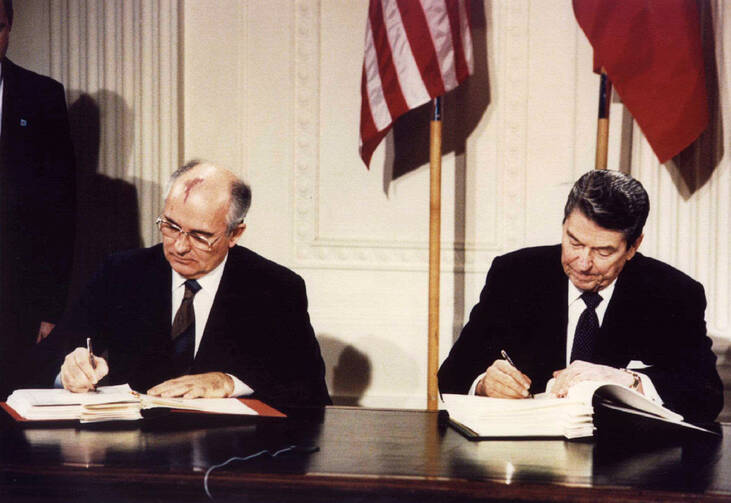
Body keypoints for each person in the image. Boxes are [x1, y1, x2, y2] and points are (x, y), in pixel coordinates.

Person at [38, 160, 330, 408]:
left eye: (200, 235)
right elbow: (45, 359)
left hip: (230, 458)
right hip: (134, 453)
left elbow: (310, 393)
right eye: (170, 226)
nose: (179, 247)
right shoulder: (121, 273)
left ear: (235, 233)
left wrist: (229, 383)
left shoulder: (276, 289)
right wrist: (67, 371)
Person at [438, 170, 723, 422]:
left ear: (633, 246)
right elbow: (452, 375)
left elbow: (707, 396)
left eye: (603, 251)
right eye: (574, 242)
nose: (583, 263)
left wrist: (628, 381)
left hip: (624, 462)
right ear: (563, 225)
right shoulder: (515, 274)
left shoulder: (672, 293)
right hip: (529, 461)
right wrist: (484, 384)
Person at [0, 0, 76, 397]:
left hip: (17, 302)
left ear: (10, 27)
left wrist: (51, 310)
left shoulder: (42, 96)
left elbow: (61, 212)